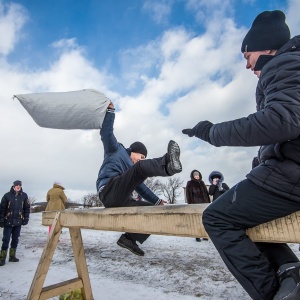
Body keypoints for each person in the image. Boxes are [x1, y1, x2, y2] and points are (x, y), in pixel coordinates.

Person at [182, 10, 300, 300]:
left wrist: (212, 132)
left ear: (267, 47)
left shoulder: (286, 65)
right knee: (235, 206)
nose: (247, 65)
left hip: (293, 175)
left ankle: (276, 293)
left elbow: (281, 121)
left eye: (247, 56)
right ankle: (288, 266)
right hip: (289, 170)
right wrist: (262, 160)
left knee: (218, 218)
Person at [97, 101, 182, 256]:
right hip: (108, 190)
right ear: (134, 151)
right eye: (141, 156)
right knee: (139, 169)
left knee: (153, 211)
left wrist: (157, 201)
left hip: (121, 198)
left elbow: (141, 187)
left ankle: (129, 239)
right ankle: (167, 163)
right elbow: (106, 134)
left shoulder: (132, 171)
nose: (141, 159)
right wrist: (110, 112)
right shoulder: (116, 150)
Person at [0, 180, 30, 266]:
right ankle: (2, 258)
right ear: (13, 186)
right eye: (16, 185)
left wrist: (26, 218)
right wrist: (1, 220)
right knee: (5, 240)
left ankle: (12, 256)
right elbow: (2, 209)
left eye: (19, 185)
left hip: (18, 222)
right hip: (8, 222)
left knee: (15, 239)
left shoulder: (24, 196)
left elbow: (27, 208)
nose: (18, 187)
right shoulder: (7, 196)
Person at [186, 170, 210, 242]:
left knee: (204, 220)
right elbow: (188, 195)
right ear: (193, 176)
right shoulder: (190, 183)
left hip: (204, 204)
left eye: (198, 175)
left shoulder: (202, 182)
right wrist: (191, 205)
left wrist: (208, 203)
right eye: (195, 175)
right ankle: (197, 236)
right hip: (196, 205)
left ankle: (204, 235)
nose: (197, 176)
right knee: (197, 221)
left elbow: (206, 193)